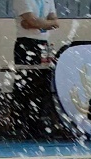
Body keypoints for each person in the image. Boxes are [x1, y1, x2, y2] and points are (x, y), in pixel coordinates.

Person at [12, 0, 60, 139]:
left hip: (43, 44)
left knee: (41, 86)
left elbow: (55, 22)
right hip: (26, 43)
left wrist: (37, 24)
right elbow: (32, 21)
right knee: (23, 86)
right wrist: (43, 23)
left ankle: (36, 125)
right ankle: (19, 125)